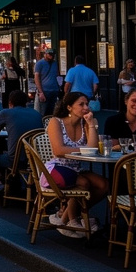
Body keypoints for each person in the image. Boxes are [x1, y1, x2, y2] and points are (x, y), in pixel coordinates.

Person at [43, 92, 108, 237]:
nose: (86, 107)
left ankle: (65, 217)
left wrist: (91, 125)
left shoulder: (85, 123)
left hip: (76, 169)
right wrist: (84, 150)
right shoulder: (56, 122)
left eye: (87, 104)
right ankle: (72, 220)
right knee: (83, 183)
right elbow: (59, 150)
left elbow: (93, 148)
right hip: (57, 168)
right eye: (81, 104)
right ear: (69, 107)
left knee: (103, 185)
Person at [0, 90, 41, 170]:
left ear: (10, 103)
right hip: (36, 160)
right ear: (26, 102)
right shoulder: (36, 113)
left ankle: (6, 177)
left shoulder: (6, 113)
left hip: (16, 161)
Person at [34, 48, 61, 116]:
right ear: (45, 54)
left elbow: (57, 75)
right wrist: (40, 92)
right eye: (50, 54)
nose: (51, 56)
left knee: (52, 111)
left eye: (53, 55)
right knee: (43, 111)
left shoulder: (55, 63)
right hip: (45, 90)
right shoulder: (39, 63)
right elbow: (36, 77)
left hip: (54, 90)